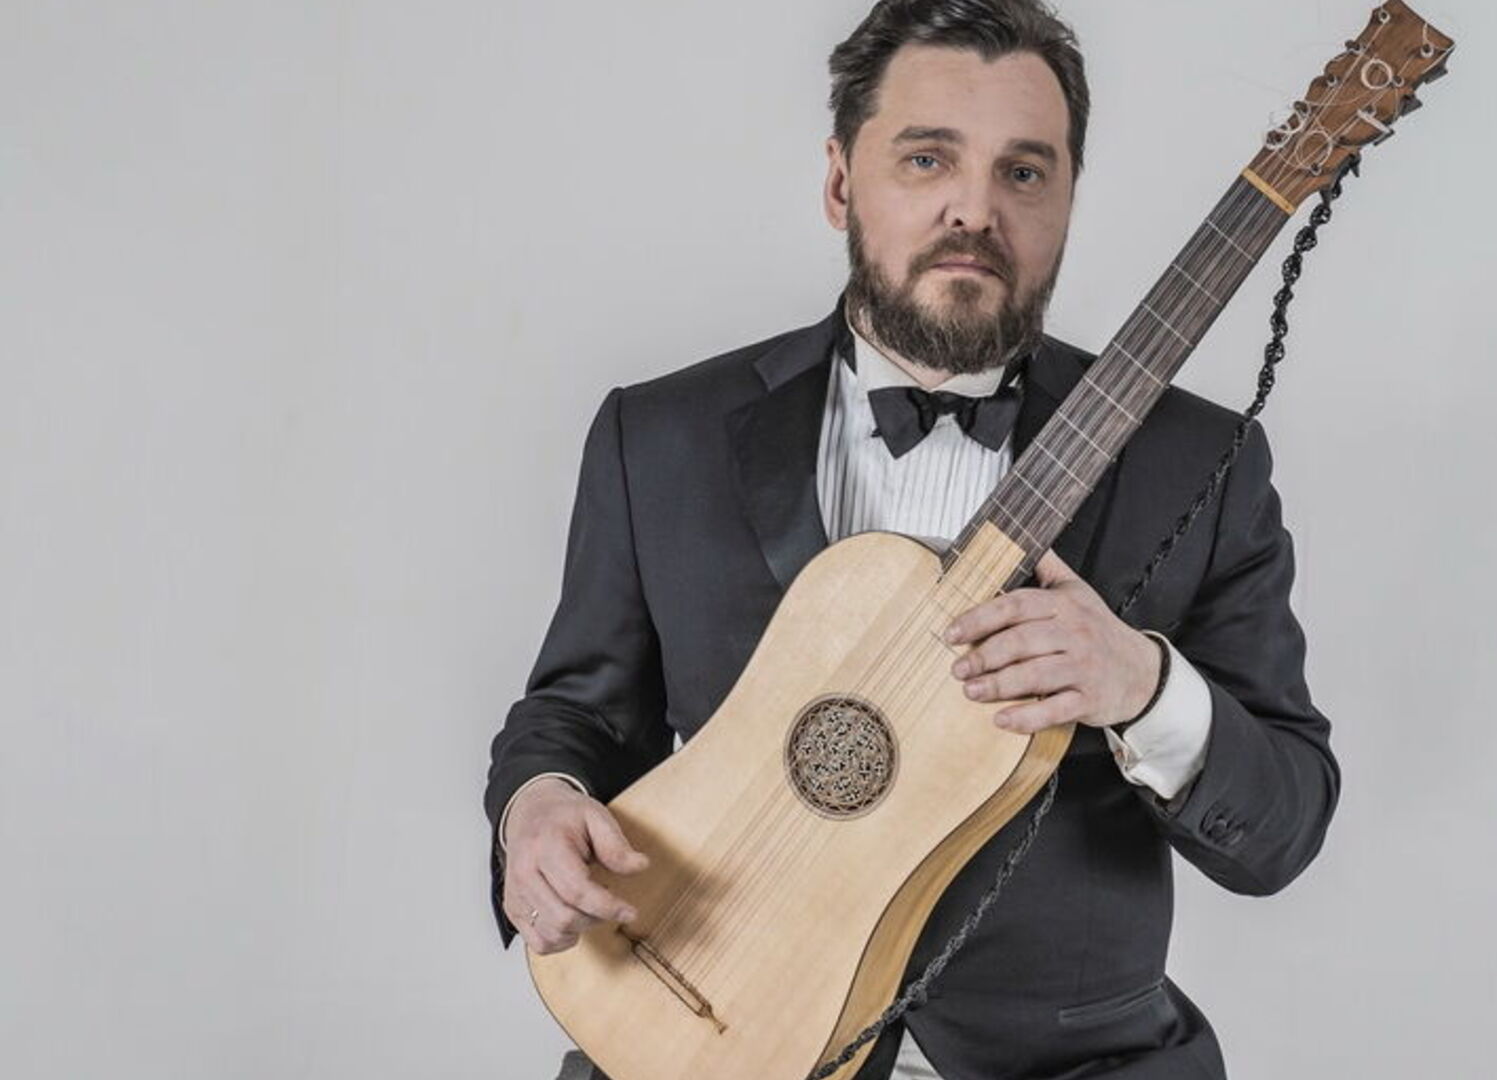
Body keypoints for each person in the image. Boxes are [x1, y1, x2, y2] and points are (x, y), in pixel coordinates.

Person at [483, 2, 1340, 1077]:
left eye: (1023, 172)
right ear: (841, 181)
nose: (973, 208)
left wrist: (1142, 685)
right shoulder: (659, 438)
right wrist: (537, 809)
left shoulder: (1198, 464)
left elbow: (1284, 827)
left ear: (1069, 199)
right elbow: (573, 716)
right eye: (927, 158)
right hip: (697, 1036)